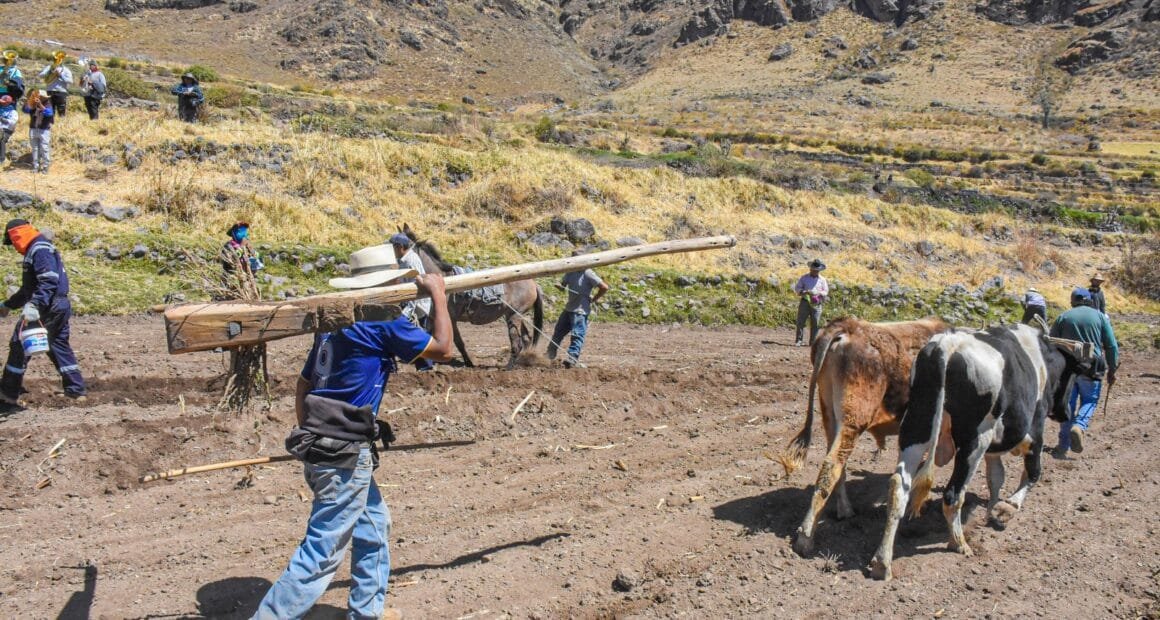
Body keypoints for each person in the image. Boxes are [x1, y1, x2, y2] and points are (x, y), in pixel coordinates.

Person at [253, 244, 454, 620]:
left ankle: (366, 612)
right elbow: (442, 349)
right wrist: (439, 296)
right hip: (344, 455)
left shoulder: (333, 323)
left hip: (318, 446)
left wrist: (311, 433)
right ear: (391, 283)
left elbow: (303, 384)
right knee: (323, 550)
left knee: (374, 526)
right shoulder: (382, 322)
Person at [0, 219, 86, 410]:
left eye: (12, 242)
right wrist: (8, 304)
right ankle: (76, 390)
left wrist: (35, 305)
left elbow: (48, 281)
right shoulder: (38, 248)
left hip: (49, 306)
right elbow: (27, 289)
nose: (13, 247)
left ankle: (7, 395)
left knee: (19, 344)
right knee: (57, 344)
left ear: (16, 236)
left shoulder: (39, 249)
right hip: (57, 304)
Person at [1049, 287, 1118, 458]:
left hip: (1067, 370)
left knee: (1068, 406)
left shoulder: (1063, 316)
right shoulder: (1100, 317)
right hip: (1091, 367)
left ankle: (1062, 446)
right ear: (1089, 301)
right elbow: (1111, 345)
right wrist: (1112, 369)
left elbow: (1051, 344)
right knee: (1090, 400)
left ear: (1073, 301)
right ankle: (1079, 425)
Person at [546, 255, 609, 369]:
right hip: (569, 308)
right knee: (558, 332)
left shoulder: (588, 273)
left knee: (577, 335)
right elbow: (563, 287)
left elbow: (604, 287)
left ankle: (572, 358)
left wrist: (593, 299)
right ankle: (549, 354)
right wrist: (559, 286)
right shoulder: (570, 272)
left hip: (580, 310)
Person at [389, 232, 434, 371]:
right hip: (411, 304)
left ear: (400, 247)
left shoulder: (411, 261)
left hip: (417, 306)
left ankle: (426, 367)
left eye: (392, 248)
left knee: (418, 335)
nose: (391, 251)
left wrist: (407, 311)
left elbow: (416, 287)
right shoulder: (403, 260)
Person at [793, 258, 829, 346]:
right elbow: (797, 288)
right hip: (805, 302)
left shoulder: (822, 280)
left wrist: (819, 293)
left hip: (817, 303)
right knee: (801, 321)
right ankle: (799, 340)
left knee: (815, 323)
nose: (815, 271)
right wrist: (804, 292)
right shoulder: (804, 278)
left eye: (817, 270)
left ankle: (813, 342)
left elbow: (826, 291)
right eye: (814, 270)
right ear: (810, 269)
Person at [22, 90, 54, 174]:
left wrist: (40, 104)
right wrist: (27, 102)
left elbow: (49, 114)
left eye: (40, 96)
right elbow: (25, 110)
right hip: (33, 129)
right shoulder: (33, 104)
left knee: (44, 148)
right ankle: (35, 166)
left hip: (44, 130)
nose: (38, 98)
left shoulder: (48, 104)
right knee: (35, 149)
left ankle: (45, 167)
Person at [37, 53, 72, 117]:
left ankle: (61, 125)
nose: (57, 60)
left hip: (61, 92)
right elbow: (41, 75)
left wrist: (60, 75)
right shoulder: (49, 67)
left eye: (59, 59)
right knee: (49, 110)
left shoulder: (66, 70)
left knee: (61, 110)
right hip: (50, 91)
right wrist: (49, 72)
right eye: (56, 59)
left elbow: (70, 81)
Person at [0, 95, 16, 167]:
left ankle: (2, 159)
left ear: (8, 103)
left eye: (3, 102)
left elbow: (12, 122)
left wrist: (4, 119)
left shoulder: (13, 111)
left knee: (2, 139)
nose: (2, 103)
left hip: (7, 130)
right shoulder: (0, 109)